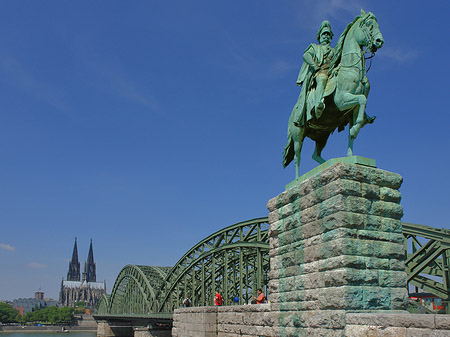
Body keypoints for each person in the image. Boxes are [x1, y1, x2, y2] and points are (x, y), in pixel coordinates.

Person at [293, 20, 334, 126]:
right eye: (324, 34)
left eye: (328, 34)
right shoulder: (315, 47)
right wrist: (315, 66)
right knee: (322, 79)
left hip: (333, 73)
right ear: (319, 36)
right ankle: (318, 105)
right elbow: (306, 55)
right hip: (319, 72)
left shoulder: (335, 51)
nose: (326, 36)